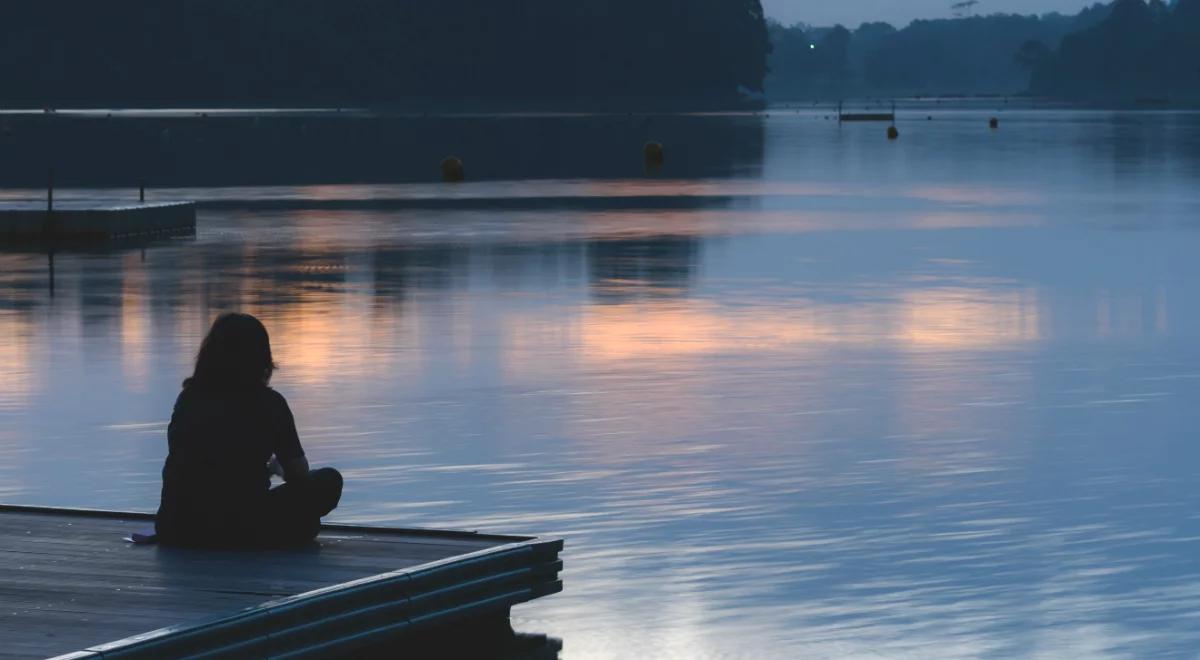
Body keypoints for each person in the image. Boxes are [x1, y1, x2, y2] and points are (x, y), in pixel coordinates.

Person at [155, 313, 342, 548]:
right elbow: (299, 474)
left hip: (176, 528)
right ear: (261, 358)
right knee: (328, 481)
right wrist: (276, 468)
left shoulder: (188, 398)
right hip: (238, 528)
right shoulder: (270, 403)